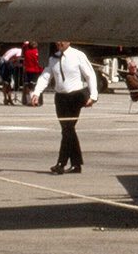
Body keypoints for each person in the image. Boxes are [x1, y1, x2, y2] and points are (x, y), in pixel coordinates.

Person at [30, 39, 96, 173]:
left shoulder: (78, 55)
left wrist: (93, 96)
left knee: (67, 129)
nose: (59, 43)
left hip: (75, 96)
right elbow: (45, 76)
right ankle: (76, 164)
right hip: (60, 98)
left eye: (62, 41)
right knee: (68, 130)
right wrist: (36, 93)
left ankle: (61, 163)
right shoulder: (53, 58)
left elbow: (90, 75)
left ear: (69, 41)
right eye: (57, 41)